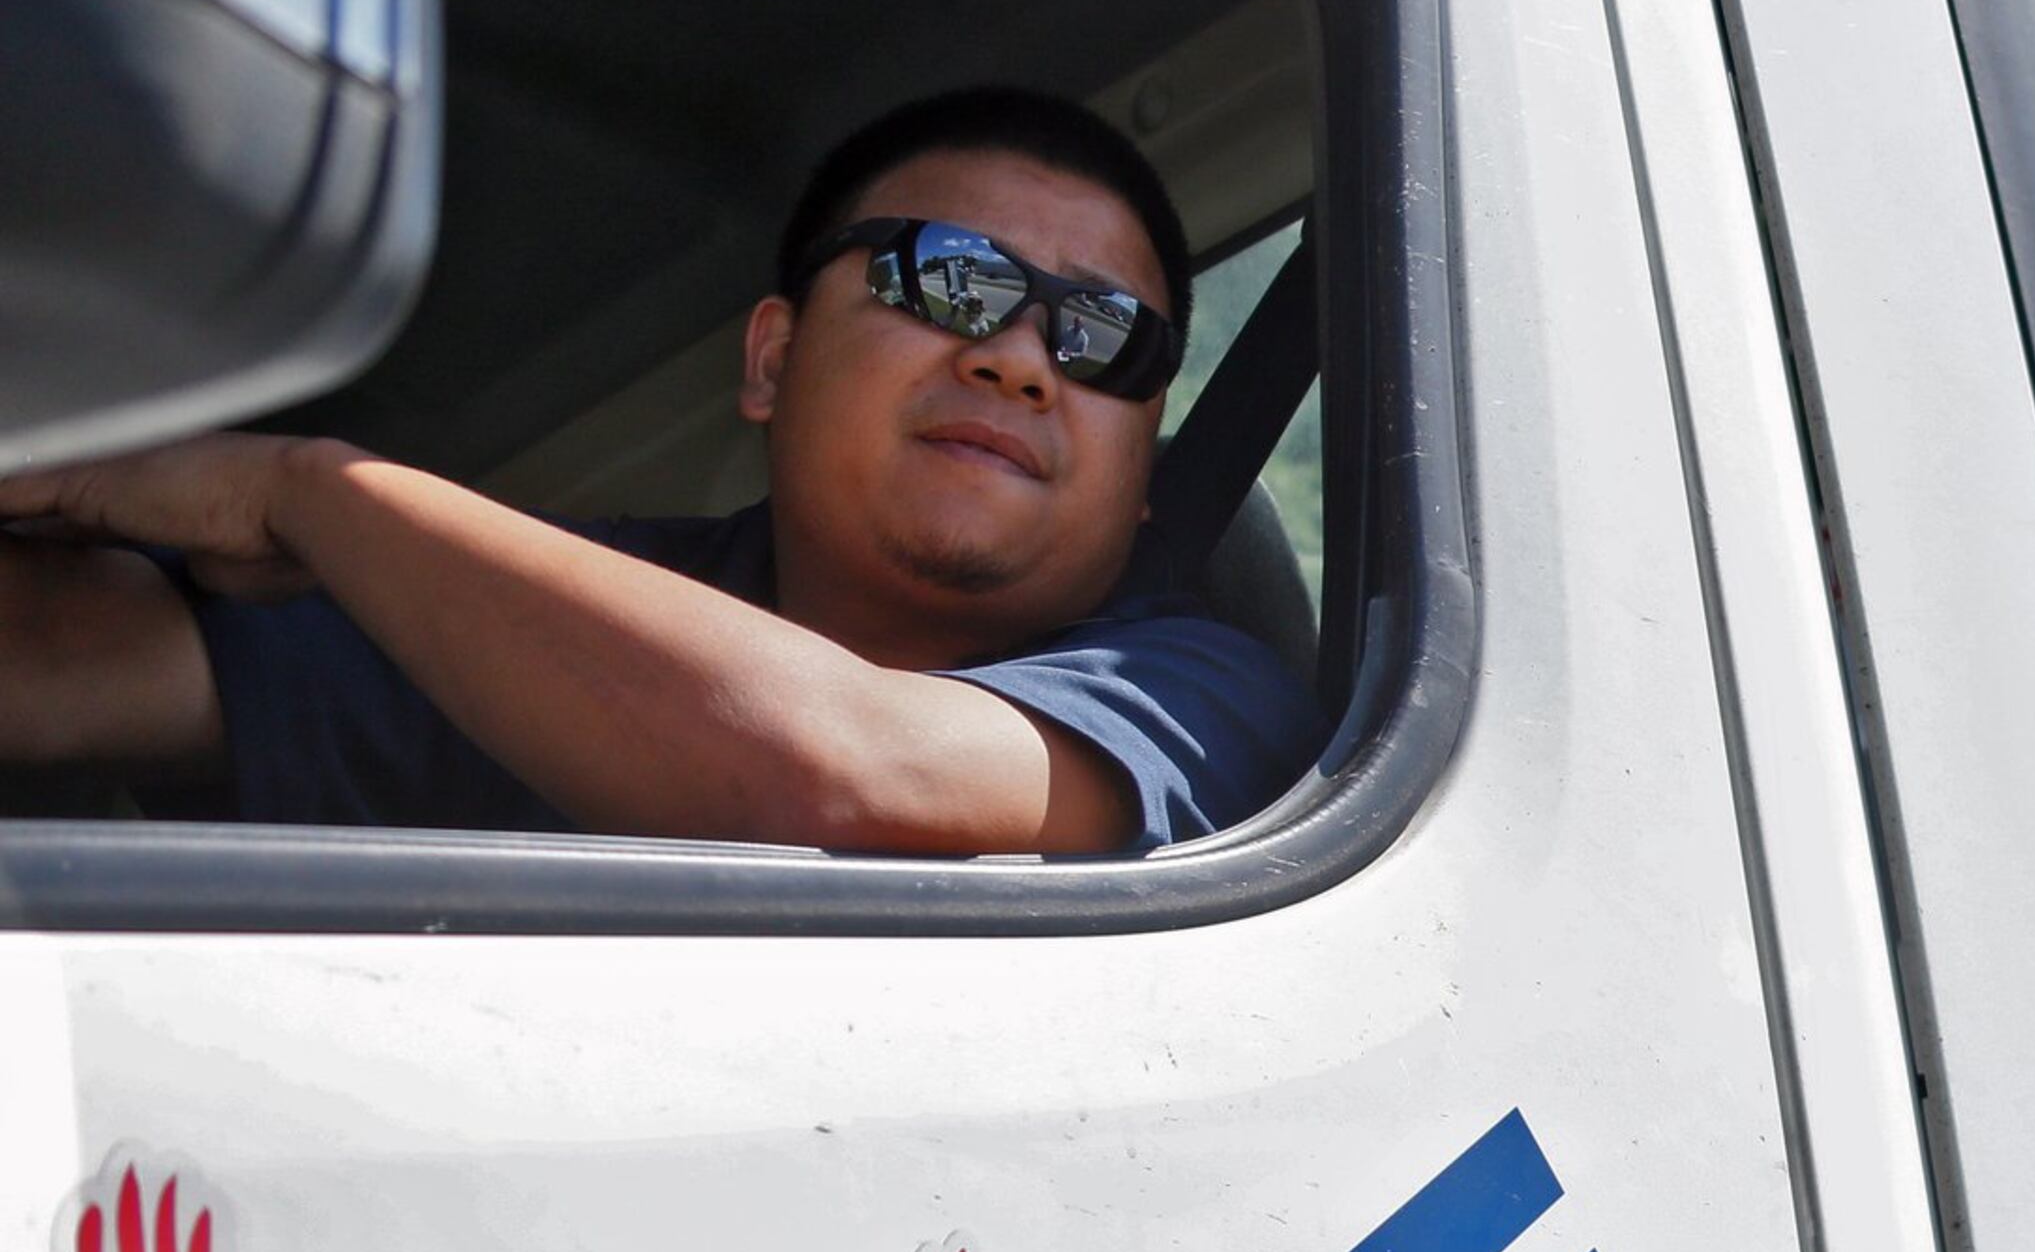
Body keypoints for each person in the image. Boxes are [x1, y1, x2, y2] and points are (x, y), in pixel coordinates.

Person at [0, 89, 1321, 855]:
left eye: (1102, 338)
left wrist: (303, 489)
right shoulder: (567, 615)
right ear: (773, 359)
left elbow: (841, 776)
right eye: (950, 281)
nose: (1022, 360)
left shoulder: (1205, 701)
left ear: (1143, 475)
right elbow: (63, 663)